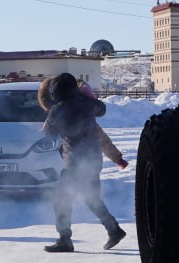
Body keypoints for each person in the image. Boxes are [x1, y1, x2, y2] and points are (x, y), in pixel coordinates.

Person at [39, 72, 128, 253]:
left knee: (62, 200)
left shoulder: (58, 109)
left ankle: (65, 239)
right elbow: (101, 109)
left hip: (74, 163)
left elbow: (48, 132)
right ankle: (114, 230)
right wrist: (85, 98)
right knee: (91, 198)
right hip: (93, 160)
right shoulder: (87, 103)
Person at [37, 77, 128, 170]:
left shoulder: (62, 113)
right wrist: (118, 159)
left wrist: (117, 158)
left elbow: (103, 139)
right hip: (82, 162)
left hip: (77, 163)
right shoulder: (77, 110)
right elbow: (103, 139)